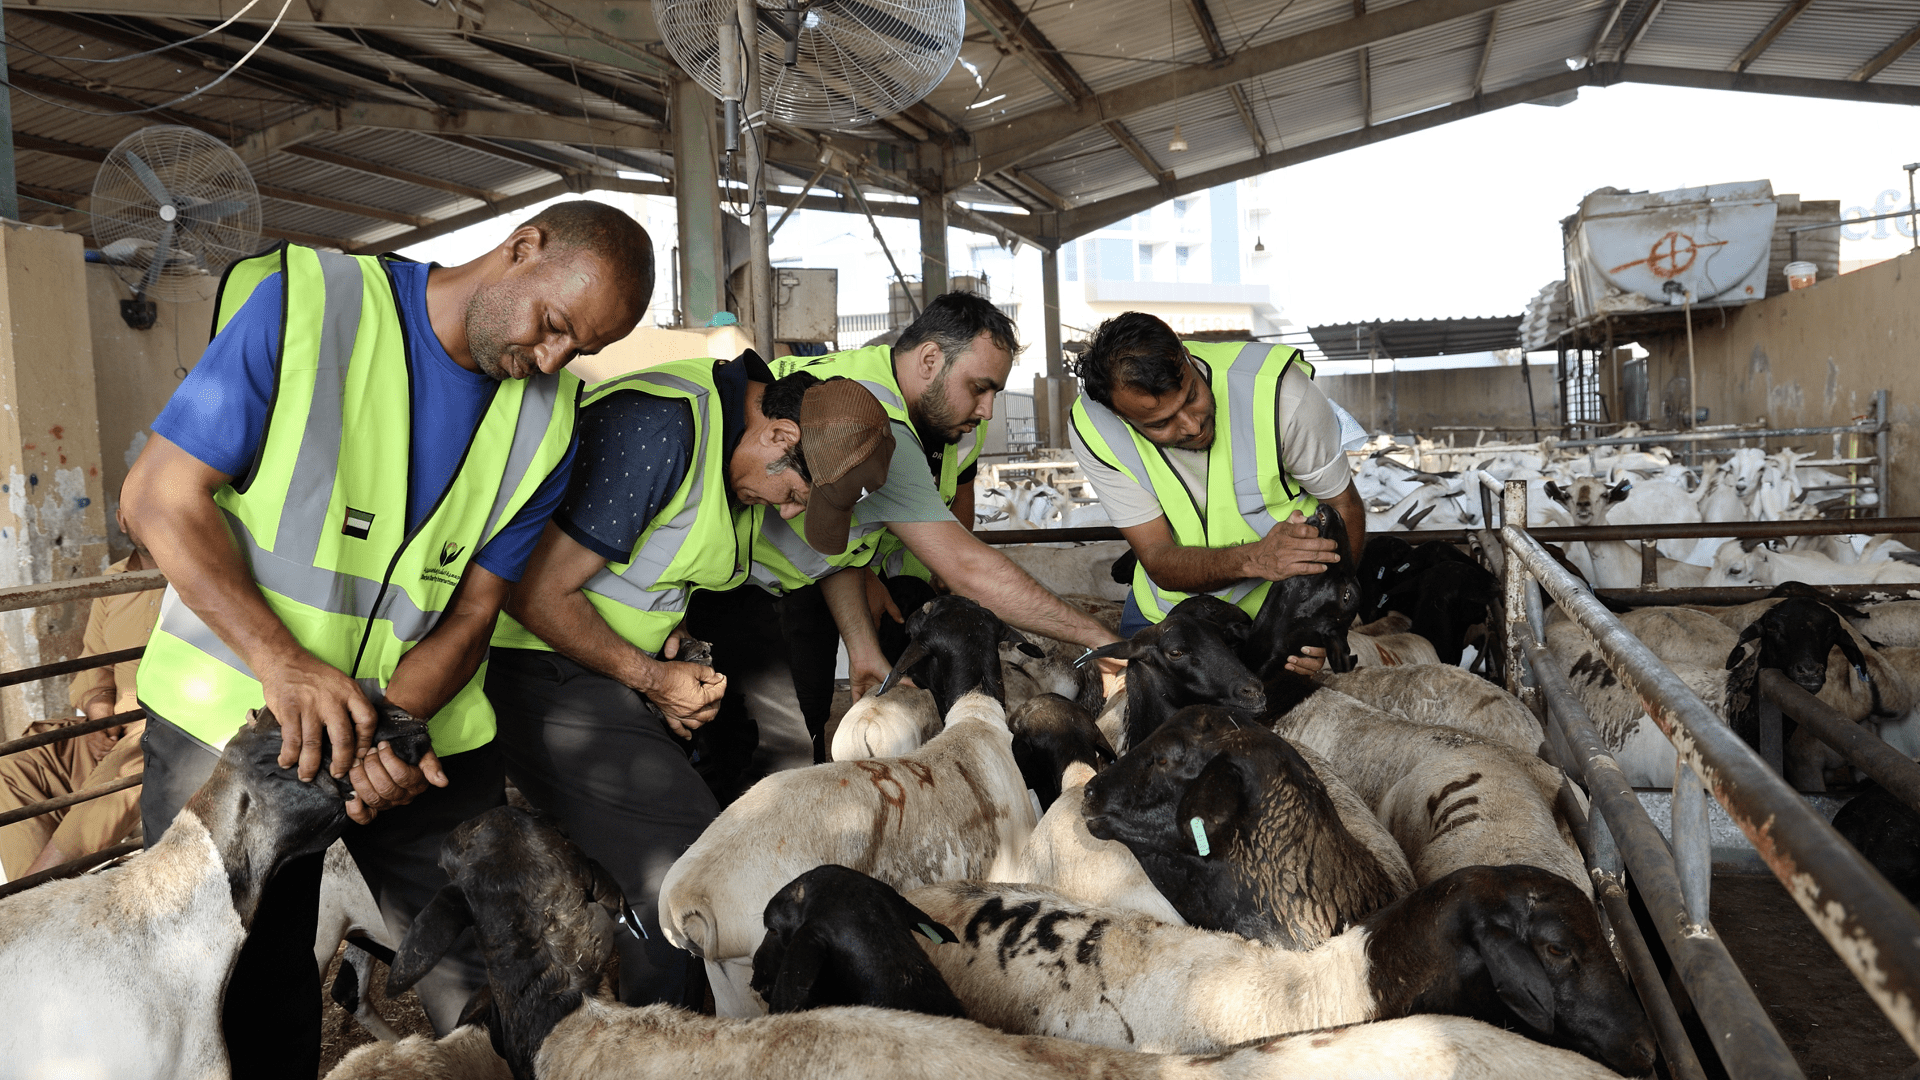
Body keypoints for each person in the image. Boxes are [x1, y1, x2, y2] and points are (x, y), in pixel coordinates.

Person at [121, 199, 650, 1078]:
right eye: (553, 326)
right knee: (238, 996)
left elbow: (477, 610)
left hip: (413, 732)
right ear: (522, 248)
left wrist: (383, 730)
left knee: (502, 964)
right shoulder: (310, 306)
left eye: (577, 350)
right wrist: (284, 666)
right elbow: (158, 498)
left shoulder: (546, 419)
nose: (552, 359)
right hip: (236, 722)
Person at [488, 354, 896, 1006]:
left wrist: (673, 653)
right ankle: (667, 1050)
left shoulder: (724, 448)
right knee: (687, 867)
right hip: (543, 667)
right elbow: (534, 594)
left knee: (697, 853)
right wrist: (652, 679)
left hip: (598, 664)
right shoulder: (661, 430)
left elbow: (640, 572)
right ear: (779, 437)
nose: (789, 515)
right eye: (794, 495)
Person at [765, 294, 1127, 739]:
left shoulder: (945, 425)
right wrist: (1095, 636)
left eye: (995, 391)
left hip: (852, 567)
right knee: (793, 728)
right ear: (930, 359)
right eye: (979, 388)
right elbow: (968, 567)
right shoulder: (871, 419)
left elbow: (959, 494)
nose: (988, 410)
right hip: (764, 582)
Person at [1069, 311, 1366, 647]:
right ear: (1119, 415)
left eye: (1192, 395)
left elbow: (1344, 505)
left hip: (1283, 609)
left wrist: (1320, 623)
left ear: (1186, 356)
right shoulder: (1094, 428)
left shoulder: (1282, 395)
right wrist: (1254, 557)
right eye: (1159, 423)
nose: (1192, 425)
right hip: (1168, 612)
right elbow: (1155, 556)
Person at [0, 513, 161, 879]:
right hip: (110, 730)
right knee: (14, 765)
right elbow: (95, 664)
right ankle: (34, 898)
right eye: (141, 505)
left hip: (160, 730)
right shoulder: (114, 581)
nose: (152, 510)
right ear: (123, 518)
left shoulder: (200, 573)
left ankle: (27, 901)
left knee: (124, 769)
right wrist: (97, 715)